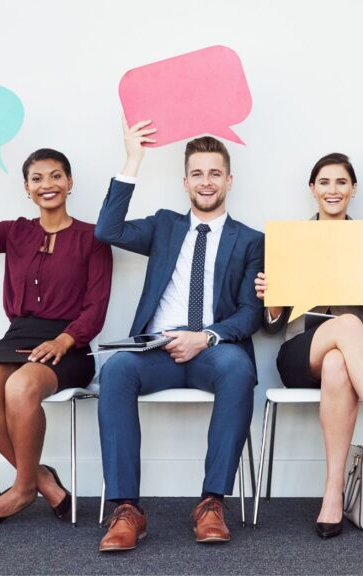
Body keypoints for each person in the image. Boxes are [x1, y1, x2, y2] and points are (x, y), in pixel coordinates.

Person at [93, 120, 263, 552]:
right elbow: (106, 232)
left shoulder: (250, 240)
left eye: (214, 173)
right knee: (115, 372)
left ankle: (211, 503)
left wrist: (205, 336)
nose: (206, 182)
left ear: (229, 179)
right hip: (156, 350)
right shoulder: (165, 226)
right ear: (185, 180)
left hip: (213, 350)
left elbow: (250, 313)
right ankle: (127, 508)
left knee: (238, 369)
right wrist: (132, 160)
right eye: (198, 173)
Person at [0, 131, 113, 524]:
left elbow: (96, 308)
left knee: (21, 388)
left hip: (70, 345)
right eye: (37, 178)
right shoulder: (16, 231)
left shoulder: (93, 238)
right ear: (26, 188)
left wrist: (64, 340)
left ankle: (20, 489)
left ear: (69, 183)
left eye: (55, 176)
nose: (47, 185)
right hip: (16, 338)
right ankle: (39, 481)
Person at [254, 153, 363, 539]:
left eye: (340, 182)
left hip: (352, 361)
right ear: (312, 189)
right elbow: (271, 328)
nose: (332, 190)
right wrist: (270, 298)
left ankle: (332, 497)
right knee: (347, 324)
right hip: (300, 353)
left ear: (353, 190)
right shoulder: (290, 241)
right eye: (324, 182)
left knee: (340, 359)